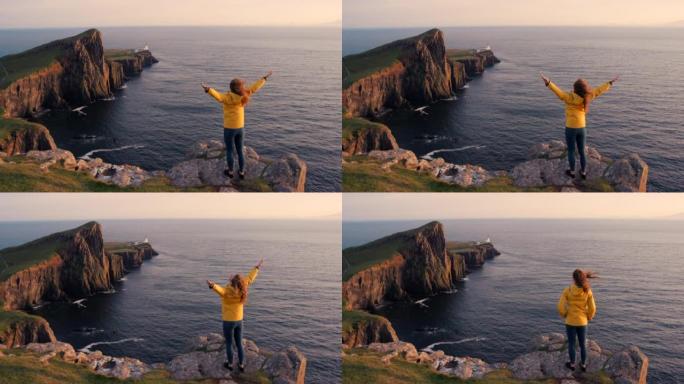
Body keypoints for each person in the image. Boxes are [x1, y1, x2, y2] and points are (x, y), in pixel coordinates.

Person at [540, 72, 619, 179]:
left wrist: (548, 82)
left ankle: (572, 172)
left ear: (575, 88)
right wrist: (610, 83)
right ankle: (583, 172)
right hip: (582, 128)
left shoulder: (569, 97)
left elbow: (558, 92)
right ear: (584, 89)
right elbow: (599, 90)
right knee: (582, 152)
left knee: (571, 151)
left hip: (570, 128)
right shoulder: (588, 97)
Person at [202, 71, 272, 179]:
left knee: (230, 151)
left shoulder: (227, 97)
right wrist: (264, 79)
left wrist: (208, 90)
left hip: (229, 129)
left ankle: (230, 172)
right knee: (240, 151)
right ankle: (242, 172)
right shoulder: (245, 95)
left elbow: (218, 96)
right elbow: (254, 88)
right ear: (241, 88)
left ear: (231, 88)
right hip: (240, 128)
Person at [207, 259, 264, 372]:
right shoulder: (244, 288)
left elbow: (219, 290)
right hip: (239, 320)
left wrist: (212, 285)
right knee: (239, 343)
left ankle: (230, 364)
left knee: (229, 343)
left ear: (232, 282)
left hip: (228, 321)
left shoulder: (226, 292)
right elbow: (250, 278)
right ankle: (242, 365)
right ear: (240, 282)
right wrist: (256, 268)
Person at [557, 269, 597, 372]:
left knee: (571, 344)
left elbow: (560, 306)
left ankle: (572, 364)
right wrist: (589, 316)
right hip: (582, 322)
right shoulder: (587, 291)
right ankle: (583, 365)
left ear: (574, 278)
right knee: (583, 344)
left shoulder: (568, 290)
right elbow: (592, 308)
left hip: (570, 321)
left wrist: (565, 314)